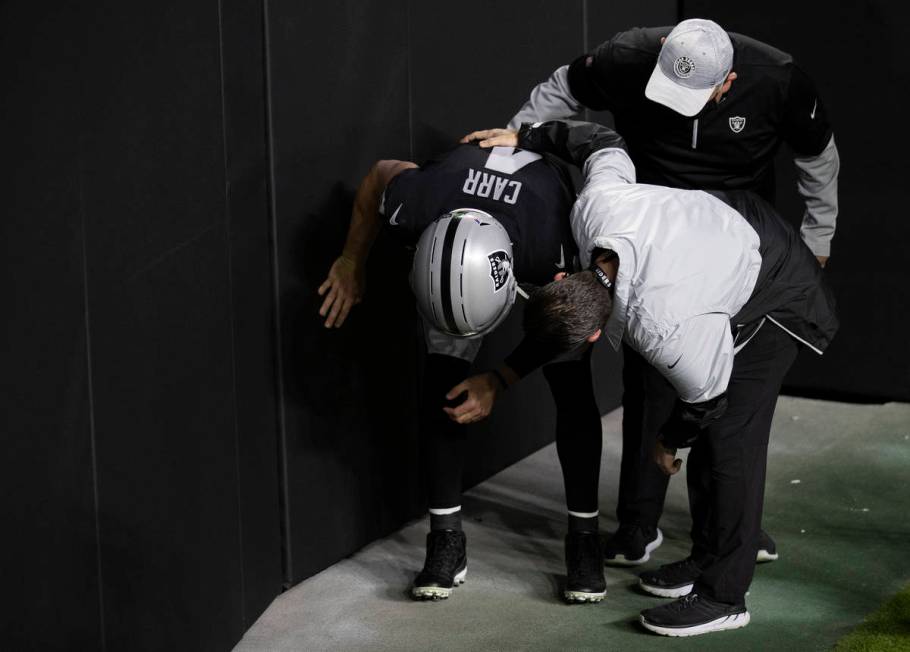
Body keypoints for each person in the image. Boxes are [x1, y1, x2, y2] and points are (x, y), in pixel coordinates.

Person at [455, 120, 837, 636]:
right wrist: (527, 135)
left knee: (729, 444)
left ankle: (725, 596)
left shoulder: (665, 327)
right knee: (701, 425)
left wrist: (669, 440)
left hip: (777, 290)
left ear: (591, 335)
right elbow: (601, 142)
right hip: (725, 233)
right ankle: (705, 557)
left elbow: (707, 395)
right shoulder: (596, 212)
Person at [507, 17, 839, 566]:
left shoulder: (778, 79)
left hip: (736, 237)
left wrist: (818, 237)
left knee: (719, 398)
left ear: (727, 83)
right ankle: (639, 523)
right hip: (648, 228)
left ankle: (725, 528)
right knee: (648, 385)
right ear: (661, 51)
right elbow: (567, 100)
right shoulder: (624, 58)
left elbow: (818, 158)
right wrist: (517, 143)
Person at [317, 140, 612, 603]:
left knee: (571, 380)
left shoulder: (560, 239)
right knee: (444, 384)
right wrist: (352, 260)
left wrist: (500, 378)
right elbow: (379, 174)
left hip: (541, 246)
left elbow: (575, 325)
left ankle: (584, 538)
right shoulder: (419, 200)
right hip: (459, 230)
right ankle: (446, 540)